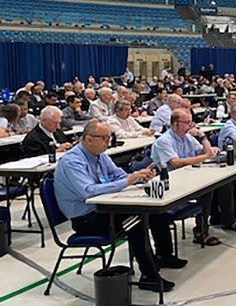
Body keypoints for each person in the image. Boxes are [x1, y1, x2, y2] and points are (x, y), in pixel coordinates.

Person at [54, 120, 183, 292]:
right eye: (104, 138)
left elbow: (118, 175)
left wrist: (139, 176)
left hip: (105, 207)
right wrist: (127, 181)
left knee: (153, 211)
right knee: (135, 221)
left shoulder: (100, 155)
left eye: (109, 137)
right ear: (88, 139)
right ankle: (149, 276)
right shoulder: (72, 161)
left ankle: (164, 255)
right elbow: (88, 191)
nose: (108, 142)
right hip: (85, 217)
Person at [150, 109, 224, 245]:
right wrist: (205, 156)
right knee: (206, 191)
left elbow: (207, 152)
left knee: (210, 187)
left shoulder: (187, 137)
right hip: (171, 182)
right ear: (174, 123)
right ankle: (202, 231)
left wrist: (202, 136)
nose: (189, 126)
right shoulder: (164, 140)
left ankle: (202, 229)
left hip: (188, 178)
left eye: (190, 122)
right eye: (186, 122)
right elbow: (176, 163)